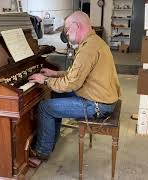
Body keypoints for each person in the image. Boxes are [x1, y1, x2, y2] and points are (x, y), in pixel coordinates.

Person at [28, 11, 121, 160]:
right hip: (99, 95)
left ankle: (42, 151)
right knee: (56, 94)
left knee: (45, 107)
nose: (66, 33)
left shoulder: (88, 49)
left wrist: (44, 80)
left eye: (67, 29)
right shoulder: (93, 41)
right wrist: (54, 74)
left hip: (99, 104)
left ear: (76, 26)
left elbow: (71, 83)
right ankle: (50, 140)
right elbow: (76, 74)